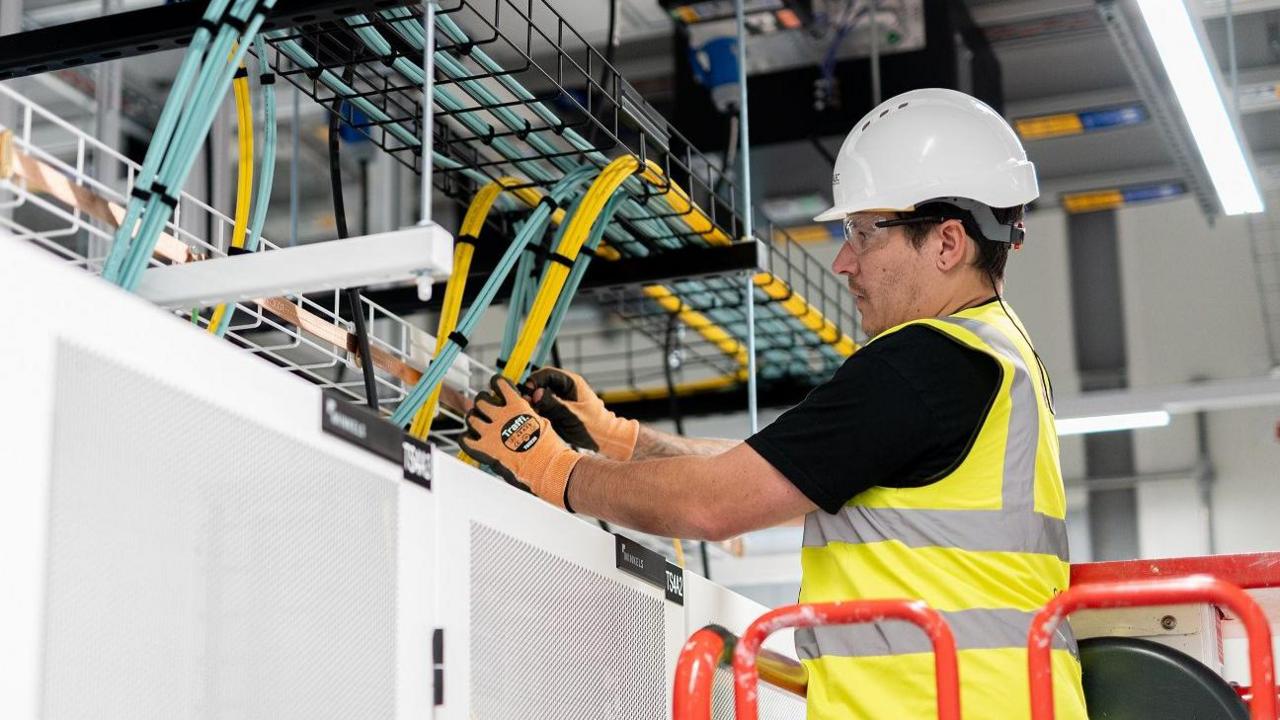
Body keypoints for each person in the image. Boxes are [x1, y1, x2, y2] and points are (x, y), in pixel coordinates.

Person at [460, 87, 1087, 720]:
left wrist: (552, 469)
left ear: (948, 243)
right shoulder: (997, 357)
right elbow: (772, 477)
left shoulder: (927, 363)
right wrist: (616, 438)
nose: (844, 261)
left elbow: (711, 504)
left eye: (866, 233)